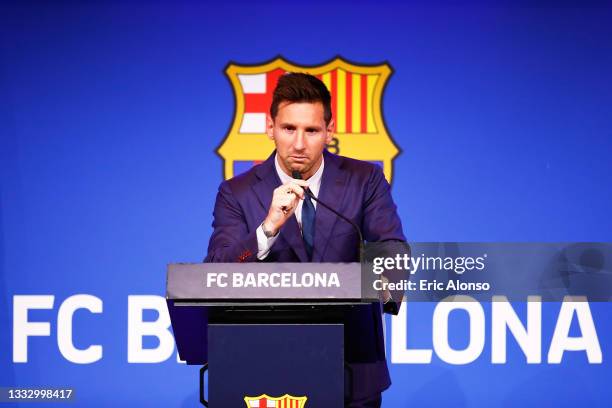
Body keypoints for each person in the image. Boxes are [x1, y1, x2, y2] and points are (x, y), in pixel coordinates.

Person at [205, 72, 406, 407]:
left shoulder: (364, 180)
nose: (299, 144)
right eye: (288, 129)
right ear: (270, 128)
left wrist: (384, 285)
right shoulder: (236, 193)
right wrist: (267, 228)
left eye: (311, 130)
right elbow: (215, 271)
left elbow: (392, 248)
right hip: (264, 374)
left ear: (329, 130)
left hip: (350, 372)